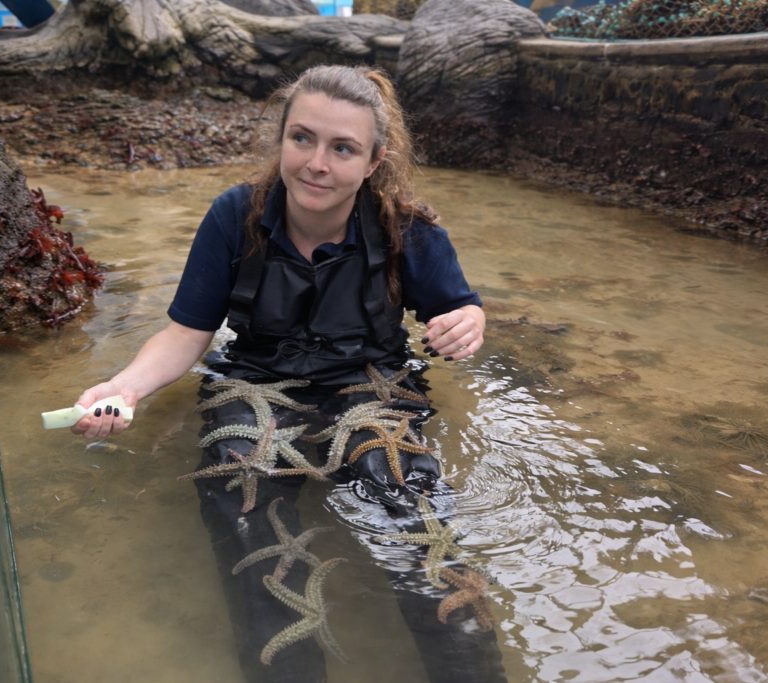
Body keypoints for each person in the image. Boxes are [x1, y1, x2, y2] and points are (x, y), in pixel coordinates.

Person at [69, 65, 504, 683]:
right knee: (245, 506)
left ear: (374, 160)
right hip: (255, 384)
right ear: (282, 137)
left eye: (342, 148)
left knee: (412, 512)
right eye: (302, 138)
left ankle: (470, 670)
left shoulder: (409, 231)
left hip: (372, 386)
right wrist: (126, 386)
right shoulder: (234, 217)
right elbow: (188, 333)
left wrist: (469, 321)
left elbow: (460, 311)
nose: (316, 163)